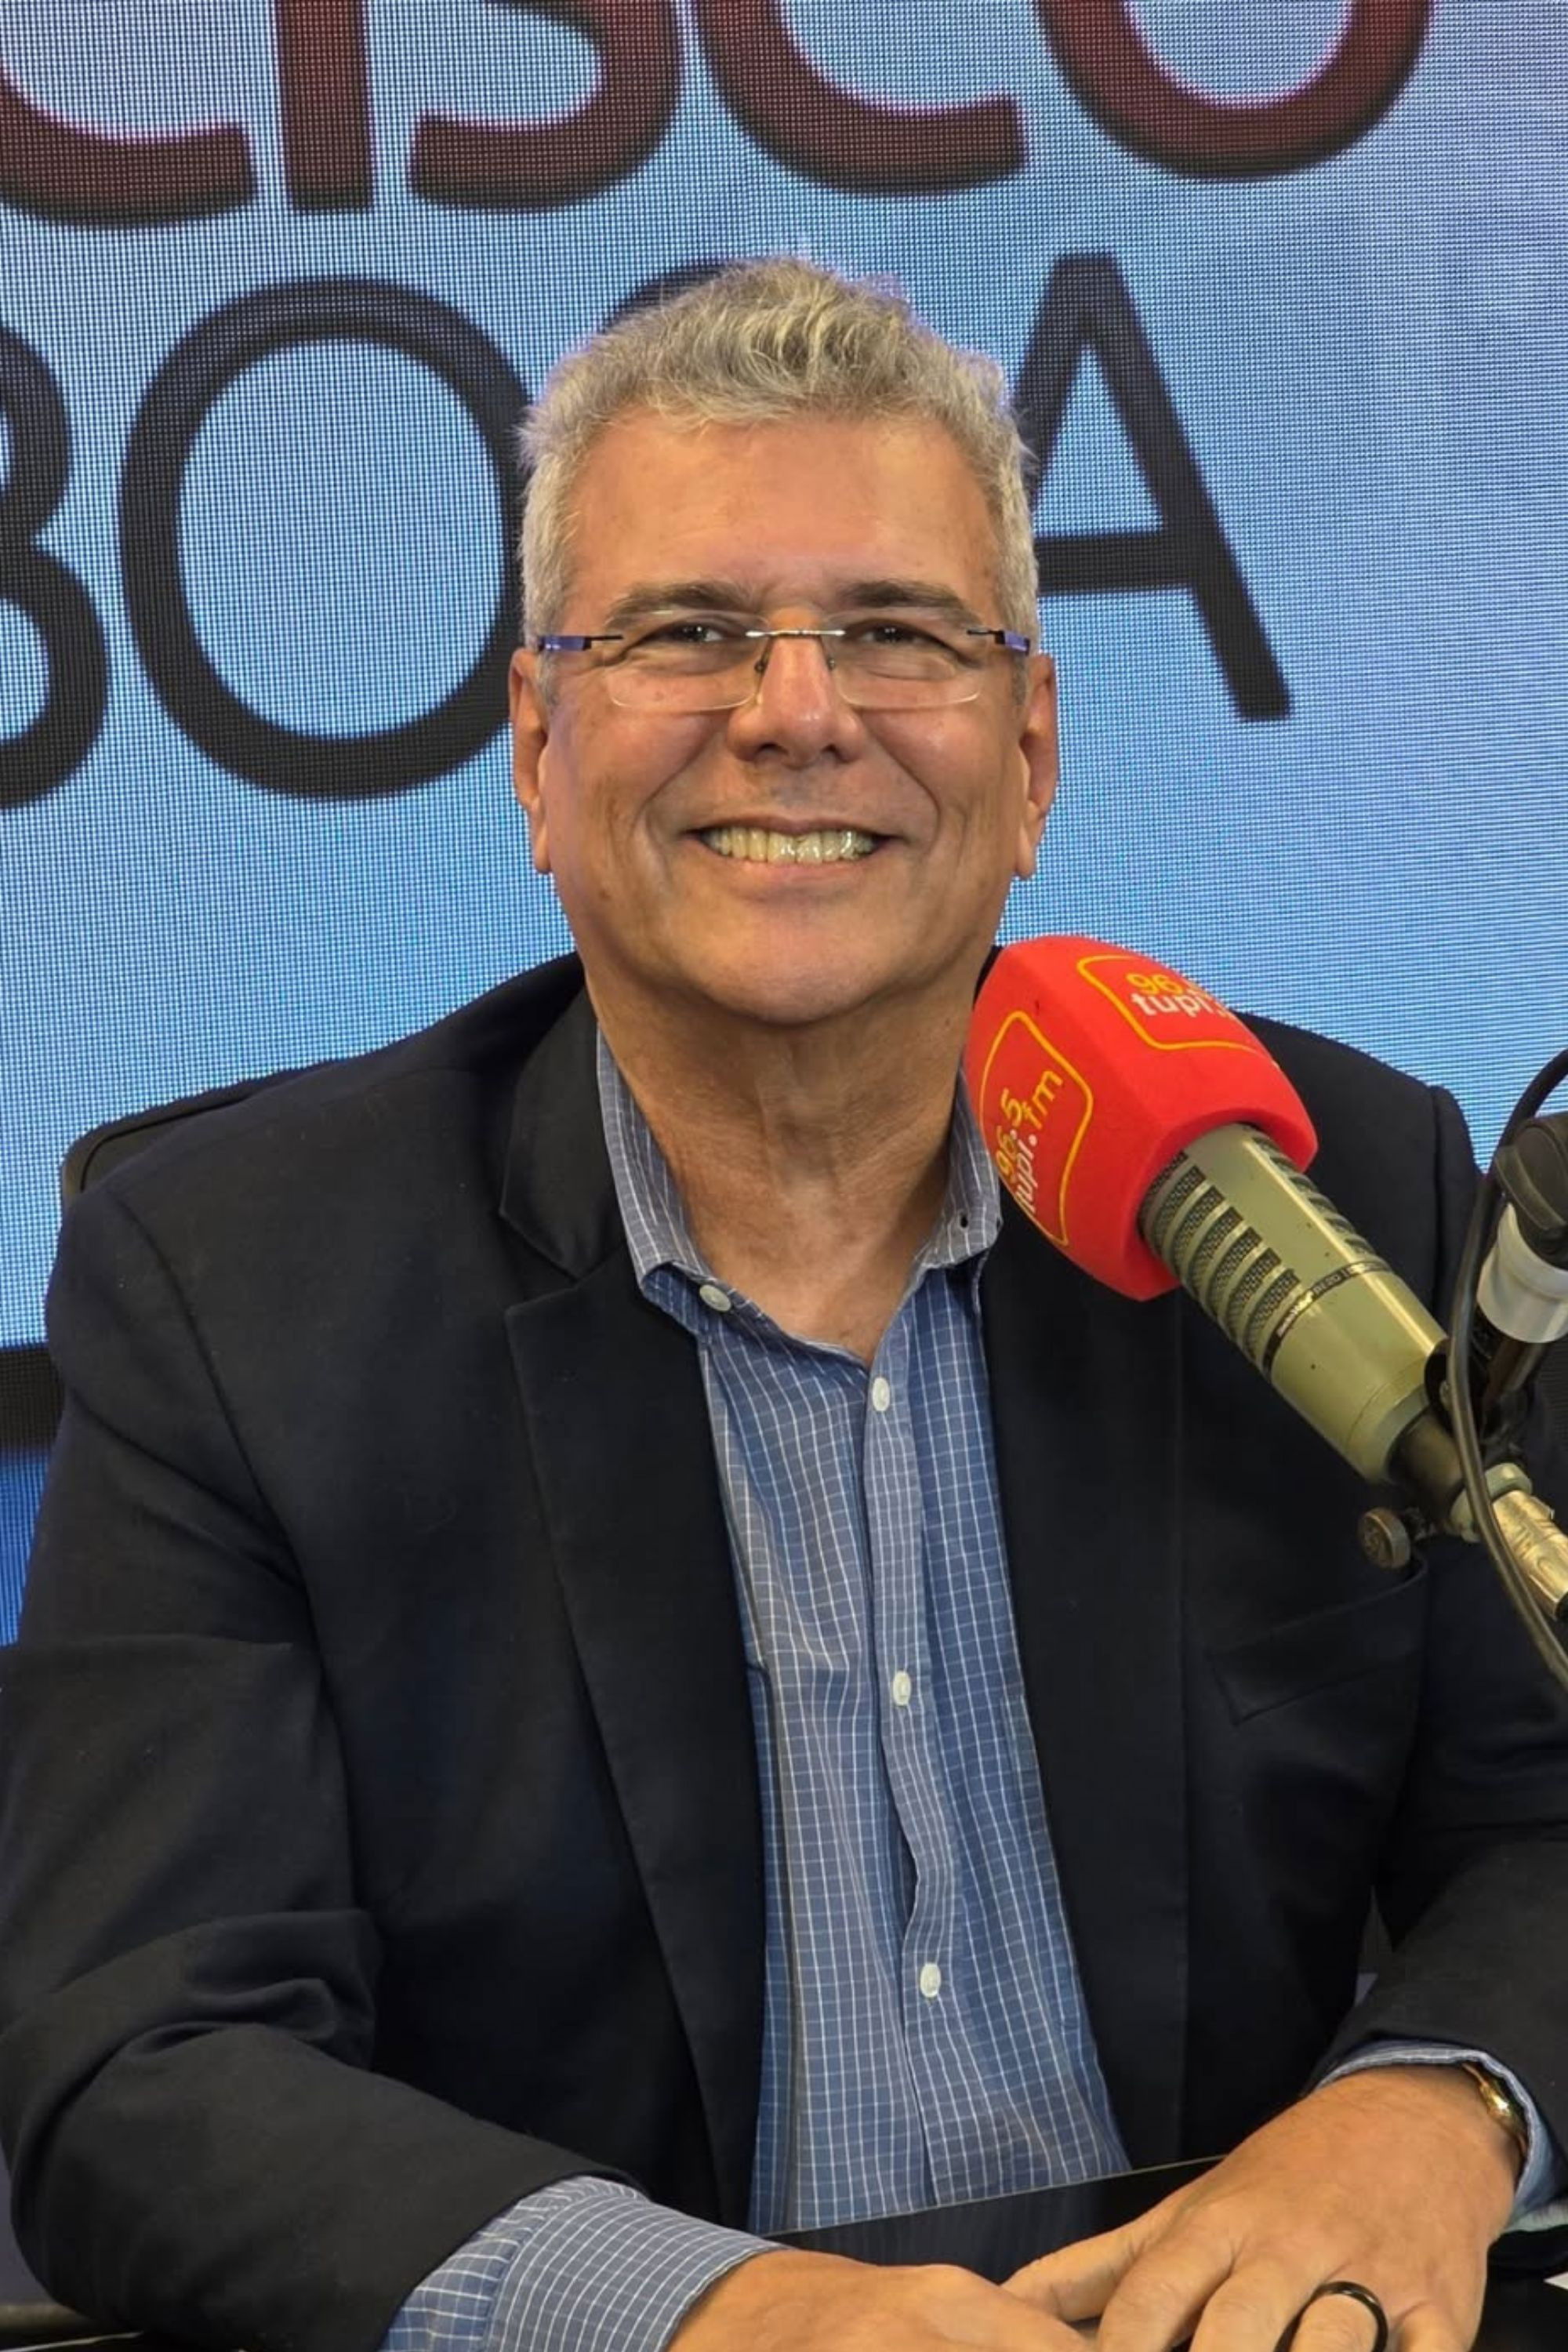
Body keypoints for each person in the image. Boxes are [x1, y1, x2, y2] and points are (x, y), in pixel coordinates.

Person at [2, 261, 1566, 2352]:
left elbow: (1547, 1809)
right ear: (538, 752)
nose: (799, 710)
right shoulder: (235, 1285)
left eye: (901, 633)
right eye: (688, 633)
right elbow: (147, 2059)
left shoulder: (1314, 1189)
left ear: (1030, 756)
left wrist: (1438, 2111)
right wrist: (725, 2316)